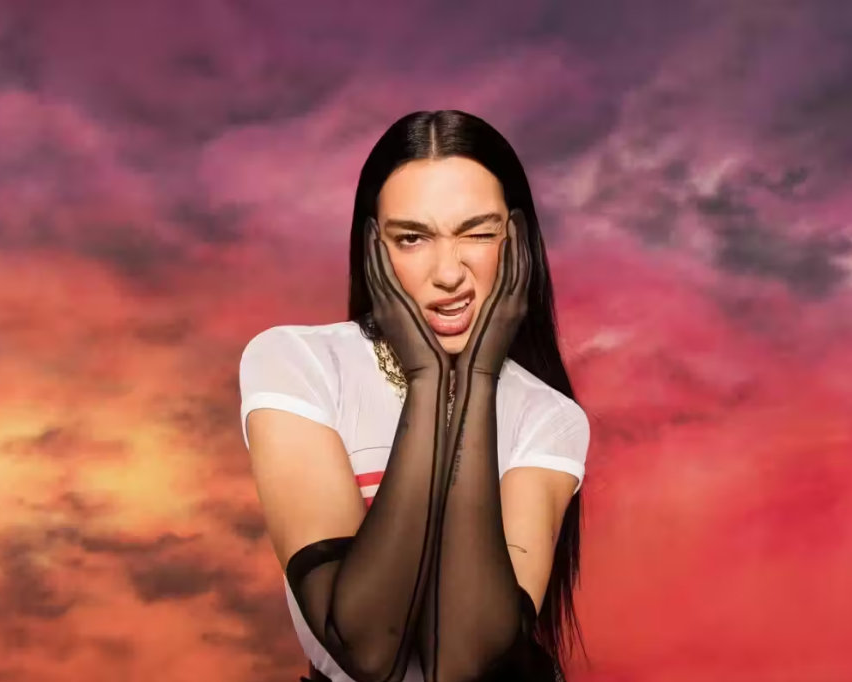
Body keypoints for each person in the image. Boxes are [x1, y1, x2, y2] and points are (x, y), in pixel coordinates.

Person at [239, 110, 590, 682]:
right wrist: (427, 379)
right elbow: (366, 650)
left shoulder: (548, 416)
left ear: (517, 241)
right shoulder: (298, 363)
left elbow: (459, 661)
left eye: (478, 233)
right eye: (412, 238)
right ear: (373, 247)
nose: (448, 273)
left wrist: (475, 378)